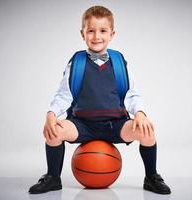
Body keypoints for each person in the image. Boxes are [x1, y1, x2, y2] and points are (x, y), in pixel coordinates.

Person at [28, 5, 171, 195]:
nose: (97, 36)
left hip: (115, 124)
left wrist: (140, 114)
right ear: (83, 34)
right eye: (91, 31)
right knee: (53, 132)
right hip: (82, 124)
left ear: (112, 34)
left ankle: (151, 177)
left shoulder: (119, 62)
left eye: (103, 31)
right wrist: (51, 114)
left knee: (147, 131)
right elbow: (64, 94)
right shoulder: (77, 62)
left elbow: (131, 93)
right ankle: (53, 177)